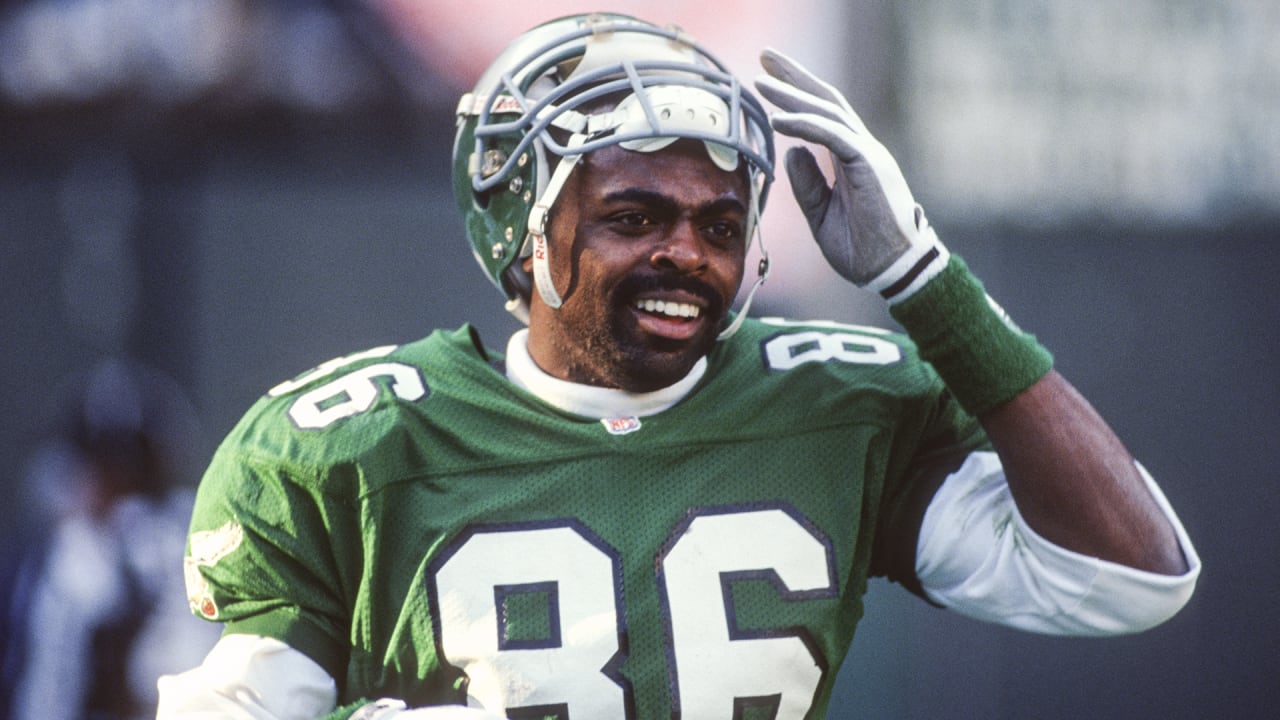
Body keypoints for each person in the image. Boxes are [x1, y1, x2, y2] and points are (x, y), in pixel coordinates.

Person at [157, 13, 1200, 720]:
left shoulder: (834, 400)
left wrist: (925, 282)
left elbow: (1125, 578)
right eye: (632, 216)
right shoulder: (348, 443)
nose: (685, 254)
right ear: (523, 232)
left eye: (717, 222)